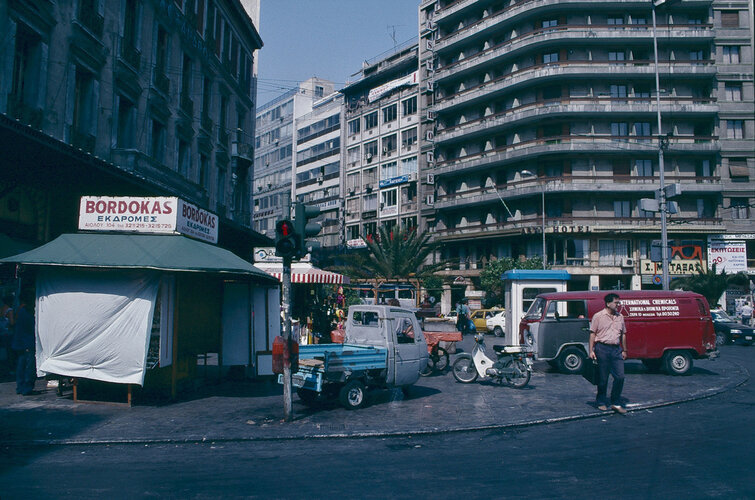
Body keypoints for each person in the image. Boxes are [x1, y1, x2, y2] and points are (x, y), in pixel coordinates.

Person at [588, 293, 627, 414]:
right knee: (603, 378)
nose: (618, 305)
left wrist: (624, 350)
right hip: (602, 348)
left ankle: (615, 401)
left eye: (618, 302)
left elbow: (623, 334)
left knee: (620, 377)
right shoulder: (598, 316)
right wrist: (591, 350)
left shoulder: (620, 317)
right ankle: (601, 401)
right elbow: (592, 334)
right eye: (616, 302)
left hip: (616, 349)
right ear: (608, 303)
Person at [12, 291, 36, 395]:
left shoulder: (20, 310)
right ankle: (27, 387)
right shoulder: (27, 312)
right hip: (27, 343)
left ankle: (20, 386)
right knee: (29, 365)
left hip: (20, 343)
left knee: (21, 365)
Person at [0, 295, 14, 376]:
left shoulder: (1, 309)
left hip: (1, 332)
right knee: (10, 352)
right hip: (8, 333)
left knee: (4, 351)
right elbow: (12, 322)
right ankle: (11, 369)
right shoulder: (9, 310)